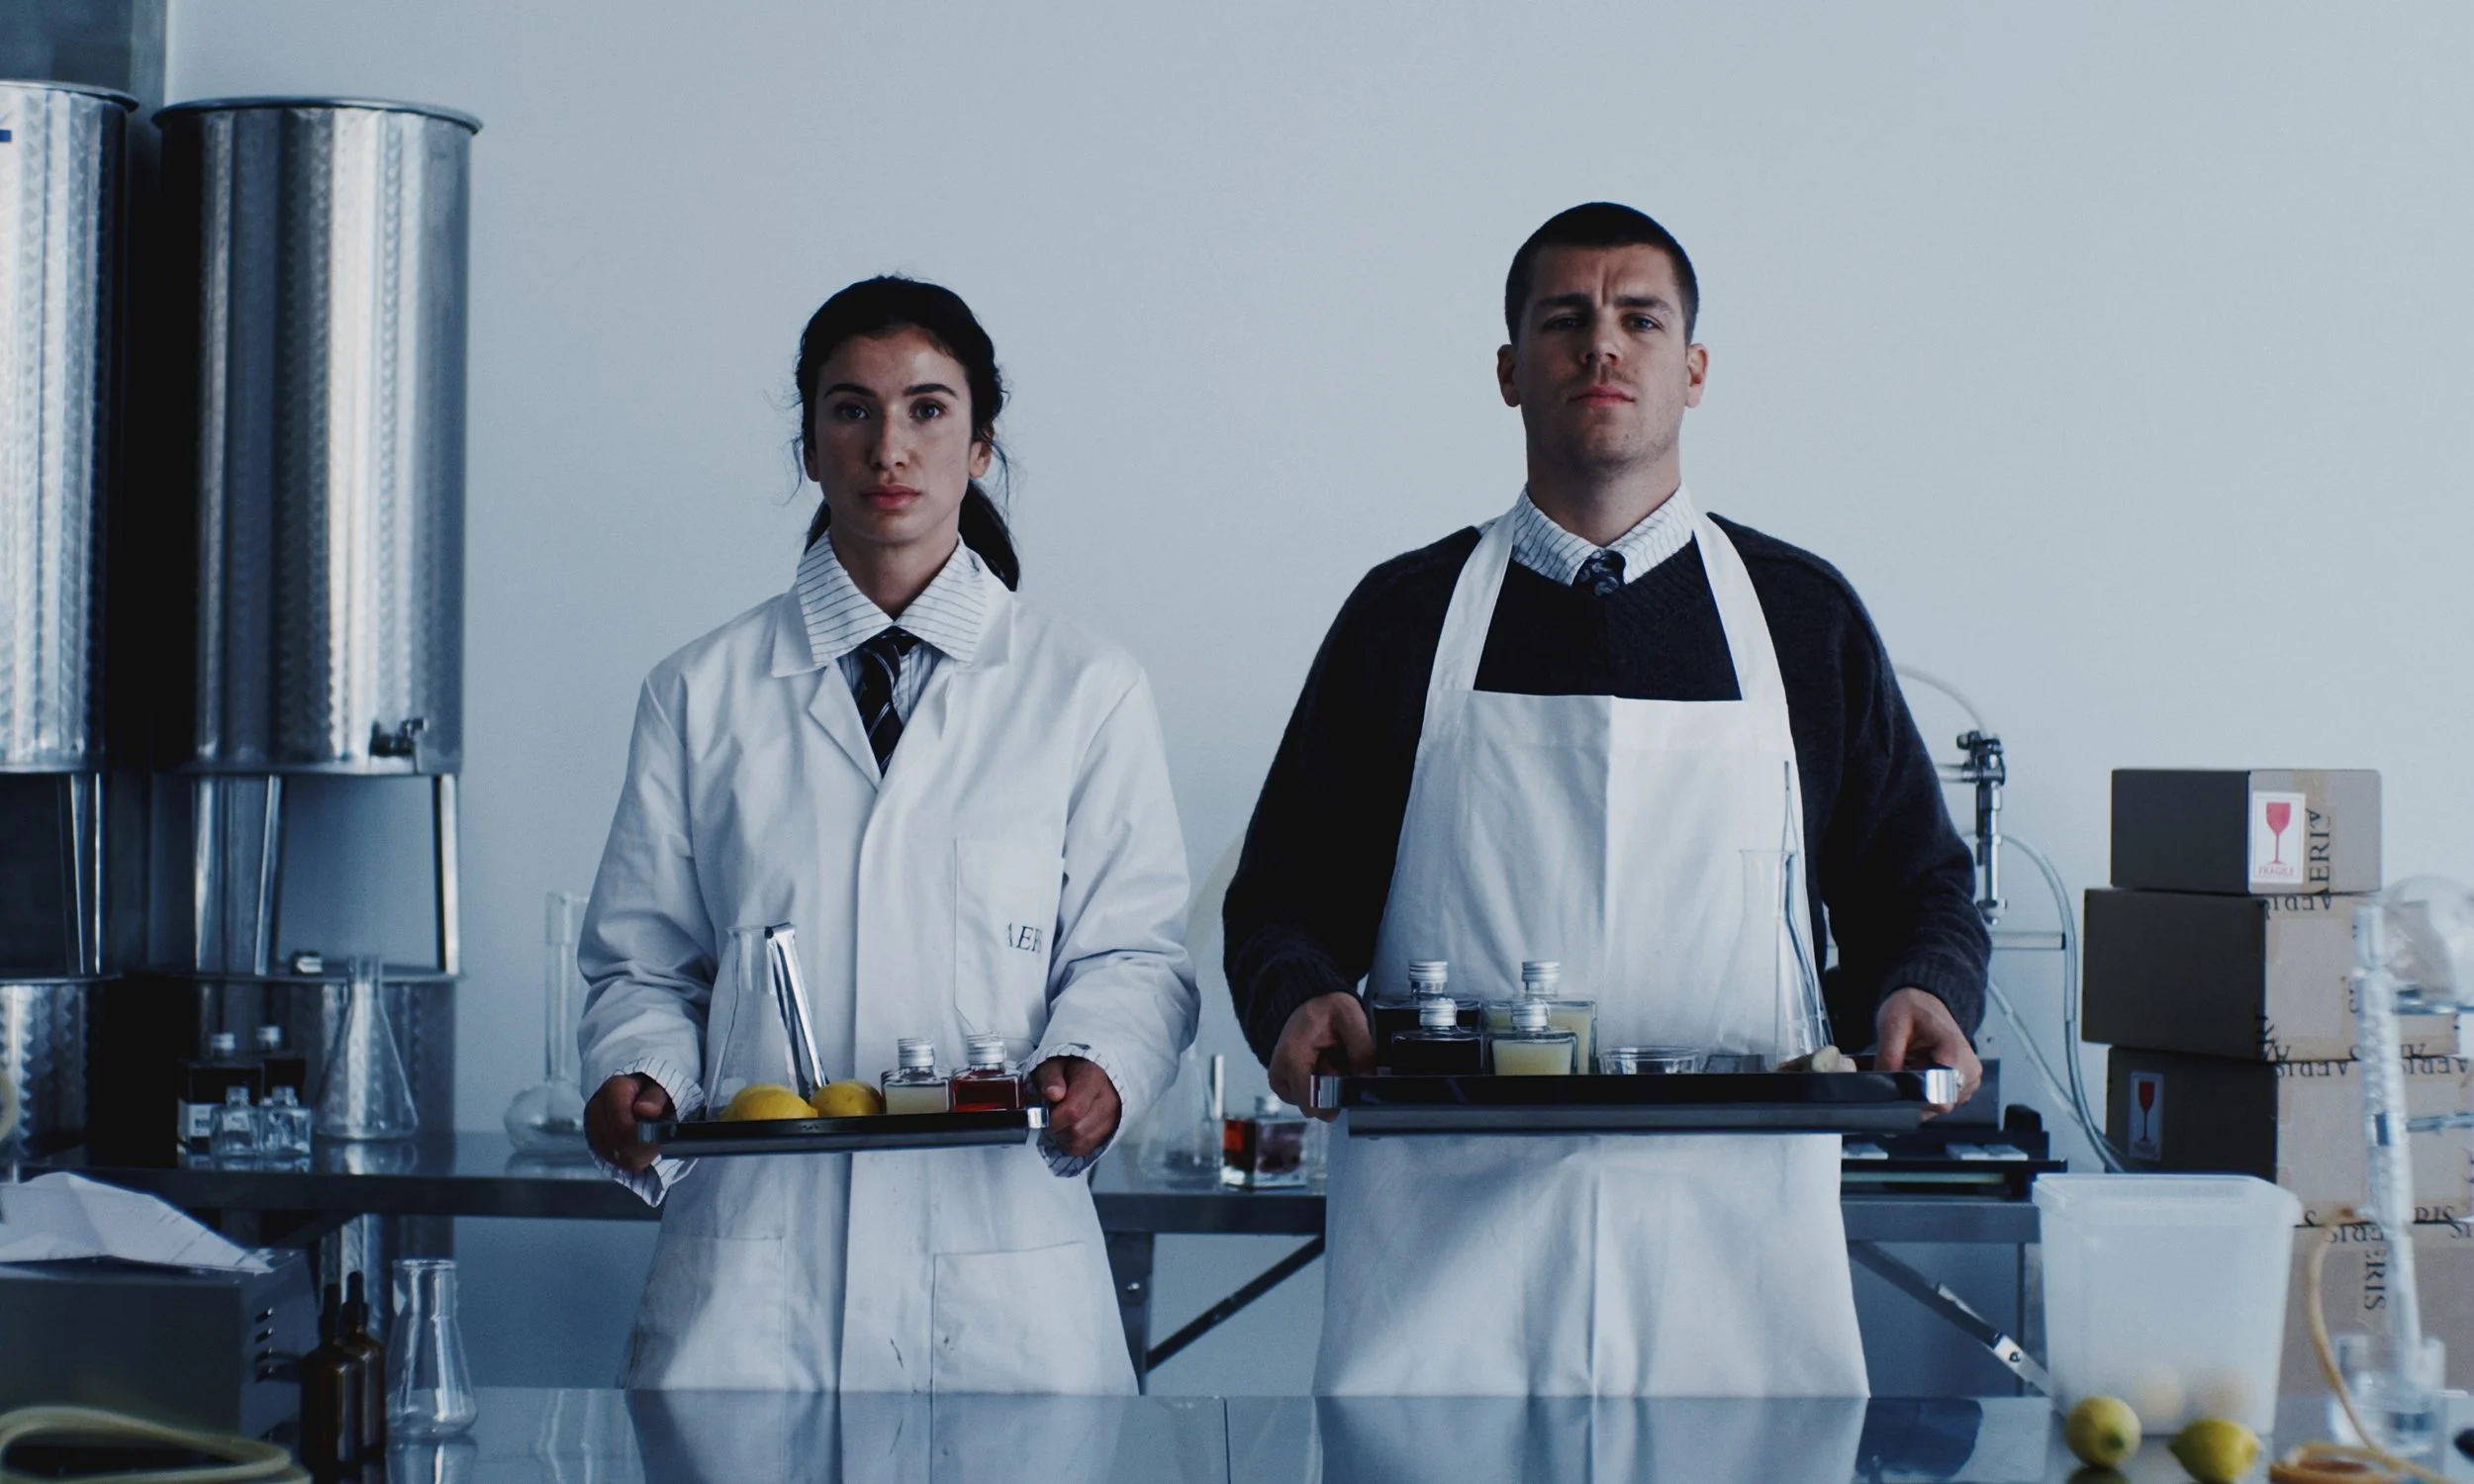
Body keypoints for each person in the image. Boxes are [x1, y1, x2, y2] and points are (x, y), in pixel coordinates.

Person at [1225, 204, 1989, 1396]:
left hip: (1732, 1254)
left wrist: (1925, 990)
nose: (1602, 347)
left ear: (1691, 369)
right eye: (1563, 320)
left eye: (1640, 319)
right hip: (1445, 1249)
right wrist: (1296, 996)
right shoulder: (1402, 616)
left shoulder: (1799, 615)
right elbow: (1282, 892)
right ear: (1507, 370)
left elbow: (1918, 885)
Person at [579, 275, 1198, 1391]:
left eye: (926, 409)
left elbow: (1134, 954)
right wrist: (642, 1074)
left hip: (1002, 1280)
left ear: (980, 447)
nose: (887, 447)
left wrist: (1098, 1061)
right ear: (809, 448)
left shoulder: (1084, 687)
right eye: (850, 409)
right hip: (753, 1296)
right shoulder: (699, 692)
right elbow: (642, 965)